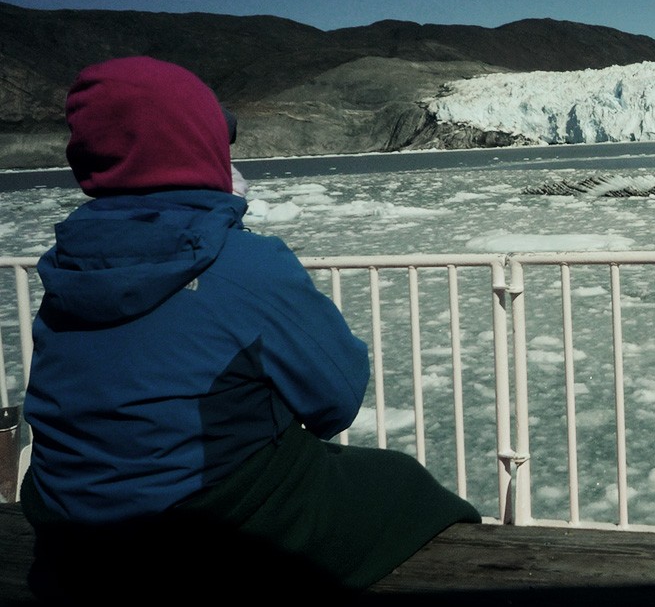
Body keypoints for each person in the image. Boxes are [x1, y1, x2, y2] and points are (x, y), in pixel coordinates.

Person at [20, 56, 480, 602]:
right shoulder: (243, 264)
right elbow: (335, 399)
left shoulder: (67, 265)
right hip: (195, 531)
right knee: (405, 485)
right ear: (198, 145)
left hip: (68, 530)